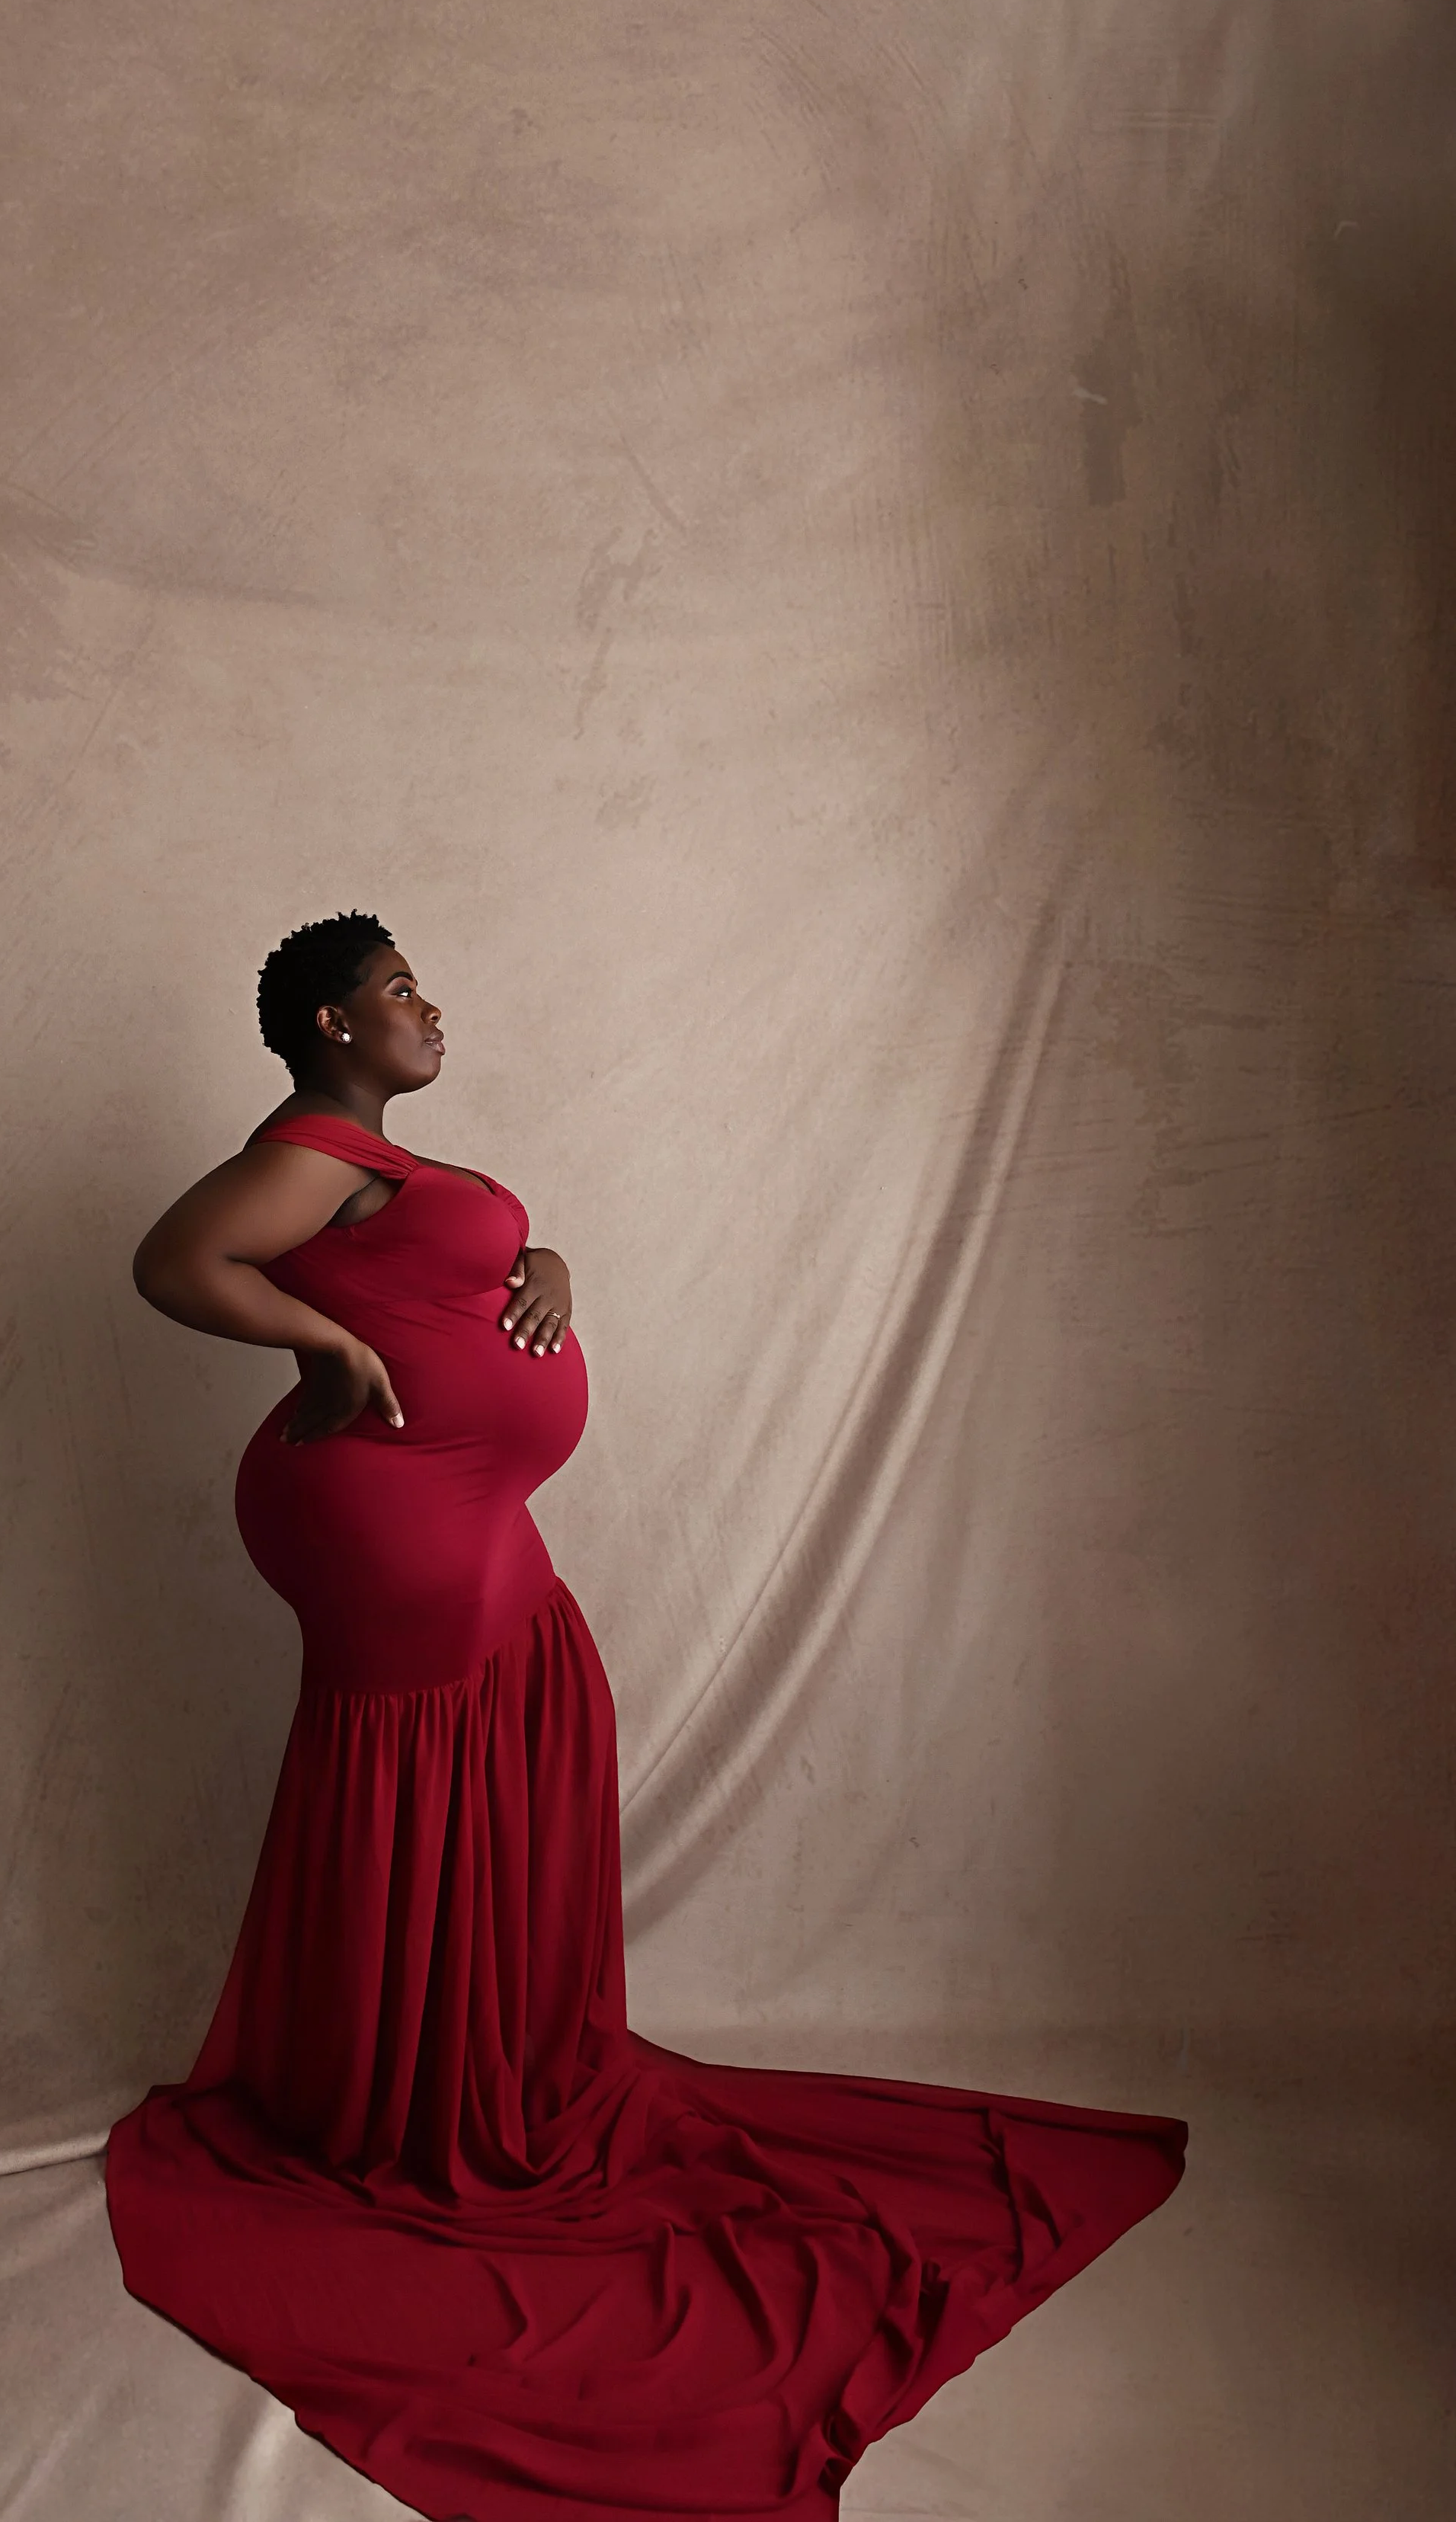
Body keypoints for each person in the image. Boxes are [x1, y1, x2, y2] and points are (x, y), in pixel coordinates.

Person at [104, 911, 1185, 2522]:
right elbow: (174, 1262)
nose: (429, 1005)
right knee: (433, 1770)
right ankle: (410, 2100)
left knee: (526, 1728)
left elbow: (452, 1265)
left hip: (455, 1508)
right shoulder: (312, 1148)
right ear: (331, 1023)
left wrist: (545, 1265)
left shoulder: (376, 1167)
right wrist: (323, 1343)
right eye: (400, 989)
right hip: (391, 1515)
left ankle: (453, 2058)